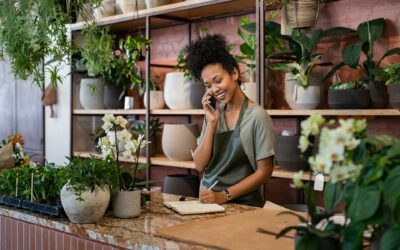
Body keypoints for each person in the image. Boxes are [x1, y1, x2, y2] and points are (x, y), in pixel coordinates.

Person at [187, 34, 275, 207]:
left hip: (244, 205)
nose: (214, 89)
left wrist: (224, 195)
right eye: (208, 85)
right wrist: (212, 123)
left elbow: (265, 171)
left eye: (218, 80)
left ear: (234, 73)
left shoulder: (257, 116)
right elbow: (199, 165)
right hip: (208, 203)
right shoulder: (213, 114)